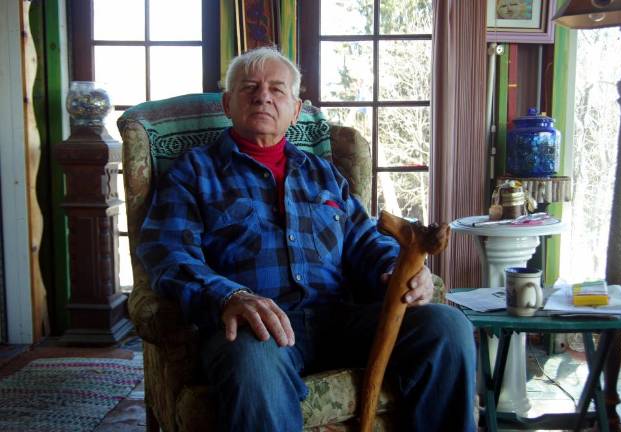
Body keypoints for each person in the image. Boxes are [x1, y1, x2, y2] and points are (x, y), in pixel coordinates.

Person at [137, 46, 476, 431]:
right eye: (249, 87)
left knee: (447, 327)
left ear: (295, 110)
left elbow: (366, 242)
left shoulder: (324, 175)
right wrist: (228, 296)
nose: (263, 95)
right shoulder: (194, 172)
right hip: (257, 331)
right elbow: (168, 254)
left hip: (339, 319)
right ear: (228, 103)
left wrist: (398, 272)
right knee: (253, 360)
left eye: (277, 89)